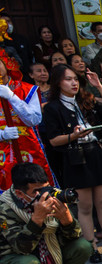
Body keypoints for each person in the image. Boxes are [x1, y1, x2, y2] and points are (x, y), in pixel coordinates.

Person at [42, 64, 102, 263]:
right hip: (75, 157)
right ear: (58, 83)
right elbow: (52, 140)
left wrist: (98, 86)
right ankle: (91, 246)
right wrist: (73, 135)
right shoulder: (52, 108)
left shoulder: (85, 99)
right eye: (68, 79)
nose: (74, 82)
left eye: (75, 79)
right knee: (85, 206)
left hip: (95, 155)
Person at [0, 163, 95, 264]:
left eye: (45, 188)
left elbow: (74, 235)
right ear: (19, 193)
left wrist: (67, 220)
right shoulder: (5, 208)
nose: (44, 194)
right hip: (16, 259)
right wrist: (37, 219)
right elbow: (21, 248)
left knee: (83, 246)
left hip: (51, 252)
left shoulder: (54, 195)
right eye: (36, 191)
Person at [0, 49, 53, 190]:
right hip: (2, 152)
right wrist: (2, 134)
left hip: (28, 146)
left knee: (36, 188)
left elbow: (34, 119)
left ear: (6, 64)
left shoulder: (26, 89)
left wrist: (12, 97)